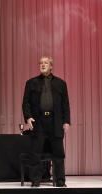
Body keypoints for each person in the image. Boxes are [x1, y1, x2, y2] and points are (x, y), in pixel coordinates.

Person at [22, 56, 70, 187]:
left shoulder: (61, 83)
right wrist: (28, 117)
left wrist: (66, 121)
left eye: (45, 63)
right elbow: (25, 103)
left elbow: (65, 104)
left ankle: (60, 181)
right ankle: (35, 180)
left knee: (59, 153)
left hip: (55, 122)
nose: (42, 65)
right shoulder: (31, 83)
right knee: (36, 152)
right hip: (39, 122)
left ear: (51, 66)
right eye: (41, 63)